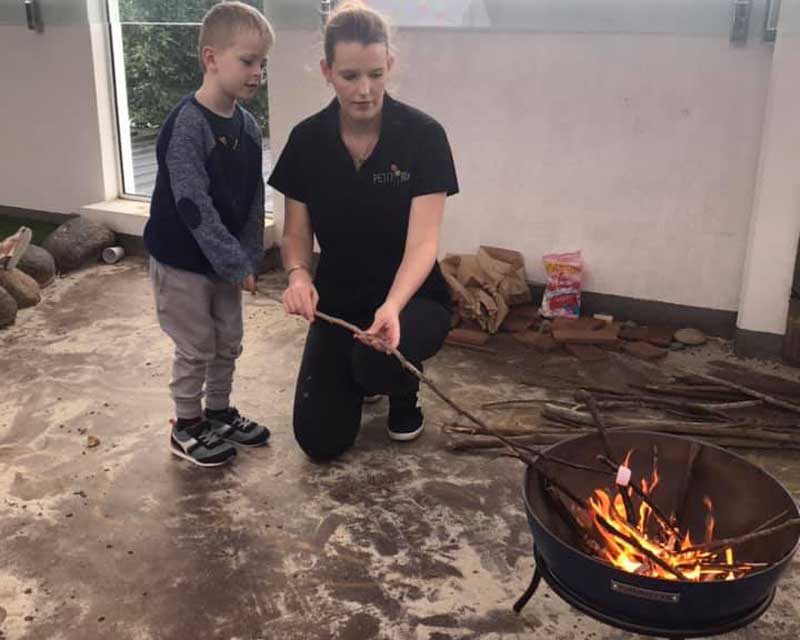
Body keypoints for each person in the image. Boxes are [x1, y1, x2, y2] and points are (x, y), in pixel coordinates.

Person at [268, 0, 459, 461]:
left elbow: (423, 243)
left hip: (413, 298)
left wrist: (392, 307)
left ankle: (400, 389)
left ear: (389, 65)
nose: (364, 89)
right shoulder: (307, 140)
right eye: (350, 76)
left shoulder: (423, 136)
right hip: (339, 299)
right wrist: (298, 275)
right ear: (327, 71)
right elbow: (295, 232)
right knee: (319, 442)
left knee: (379, 361)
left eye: (375, 73)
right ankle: (360, 375)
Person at [143, 1, 273, 467]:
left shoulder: (248, 125)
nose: (257, 73)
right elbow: (192, 207)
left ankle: (217, 413)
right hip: (182, 262)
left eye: (262, 63)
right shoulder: (187, 125)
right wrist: (234, 261)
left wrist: (250, 255)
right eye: (247, 61)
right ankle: (186, 425)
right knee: (195, 346)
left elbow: (254, 194)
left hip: (225, 260)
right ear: (211, 58)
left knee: (228, 339)